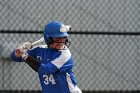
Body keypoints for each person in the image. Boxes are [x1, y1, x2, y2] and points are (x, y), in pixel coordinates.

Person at [10, 21, 82, 93]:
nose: (61, 42)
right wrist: (20, 51)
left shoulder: (65, 55)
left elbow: (46, 69)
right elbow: (13, 57)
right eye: (57, 39)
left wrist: (25, 56)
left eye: (63, 38)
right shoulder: (39, 49)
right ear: (48, 39)